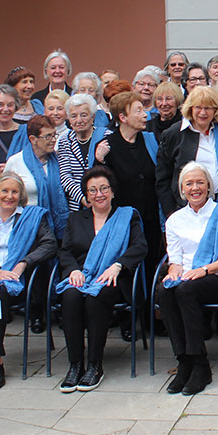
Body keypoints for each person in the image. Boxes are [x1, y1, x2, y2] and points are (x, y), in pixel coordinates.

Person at [158, 162, 218, 396]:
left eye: (200, 182)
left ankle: (200, 364)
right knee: (165, 291)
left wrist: (204, 270)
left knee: (186, 291)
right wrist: (174, 271)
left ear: (209, 186)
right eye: (189, 183)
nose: (195, 188)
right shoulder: (175, 220)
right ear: (182, 189)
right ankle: (184, 360)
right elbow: (175, 258)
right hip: (187, 278)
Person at [56, 165, 147, 393]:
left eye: (104, 188)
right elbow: (65, 251)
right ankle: (75, 364)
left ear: (113, 191)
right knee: (70, 296)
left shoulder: (127, 216)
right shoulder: (75, 219)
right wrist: (72, 270)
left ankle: (95, 365)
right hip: (81, 276)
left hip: (115, 278)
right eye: (93, 190)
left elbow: (140, 246)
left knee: (95, 298)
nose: (99, 194)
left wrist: (118, 266)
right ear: (86, 195)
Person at [0, 173, 56, 388]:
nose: (9, 196)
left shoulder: (31, 217)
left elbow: (49, 244)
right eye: (4, 191)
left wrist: (24, 262)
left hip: (17, 280)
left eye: (14, 191)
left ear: (21, 195)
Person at [95, 91, 162, 302]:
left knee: (152, 263)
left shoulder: (151, 140)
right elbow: (97, 183)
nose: (146, 115)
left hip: (150, 216)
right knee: (124, 265)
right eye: (139, 111)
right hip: (122, 220)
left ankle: (151, 314)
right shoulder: (107, 145)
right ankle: (127, 315)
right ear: (123, 117)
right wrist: (99, 161)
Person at [156, 86, 218, 219]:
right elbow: (163, 177)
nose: (203, 113)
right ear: (190, 108)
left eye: (208, 108)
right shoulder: (174, 134)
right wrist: (170, 212)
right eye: (198, 107)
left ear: (215, 110)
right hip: (186, 208)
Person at [4, 115, 68, 239]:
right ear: (33, 139)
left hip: (57, 228)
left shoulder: (59, 160)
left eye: (54, 135)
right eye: (47, 136)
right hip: (27, 226)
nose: (53, 140)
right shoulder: (16, 162)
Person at [57, 94, 106, 211]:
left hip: (103, 202)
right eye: (73, 116)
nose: (79, 120)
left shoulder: (105, 136)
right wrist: (83, 198)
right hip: (76, 206)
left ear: (93, 117)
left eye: (84, 115)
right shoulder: (65, 140)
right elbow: (65, 176)